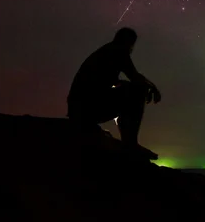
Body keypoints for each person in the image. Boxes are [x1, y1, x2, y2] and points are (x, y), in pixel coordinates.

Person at [67, 27, 161, 156]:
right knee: (137, 92)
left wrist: (148, 85)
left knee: (131, 90)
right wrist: (151, 87)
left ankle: (129, 143)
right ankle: (130, 144)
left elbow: (115, 80)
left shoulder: (107, 52)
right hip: (87, 109)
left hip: (80, 109)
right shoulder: (118, 51)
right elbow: (134, 77)